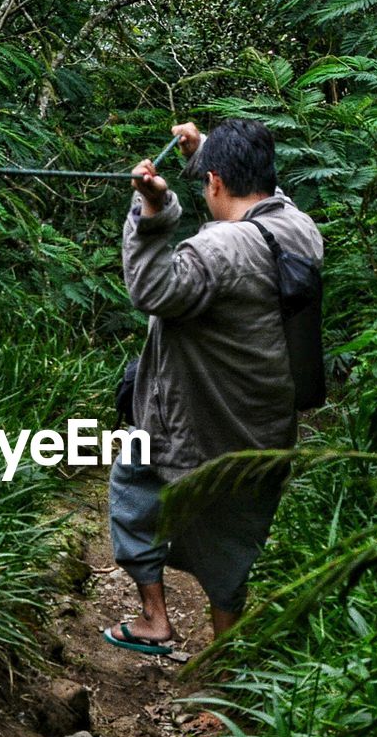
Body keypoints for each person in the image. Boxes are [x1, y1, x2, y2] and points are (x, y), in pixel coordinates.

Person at [103, 117, 323, 654]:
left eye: (208, 179)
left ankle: (156, 620)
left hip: (193, 424)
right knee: (234, 539)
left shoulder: (219, 250)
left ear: (216, 183)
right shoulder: (299, 228)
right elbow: (267, 205)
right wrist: (204, 157)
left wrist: (154, 211)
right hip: (264, 424)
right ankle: (225, 665)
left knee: (133, 495)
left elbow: (152, 288)